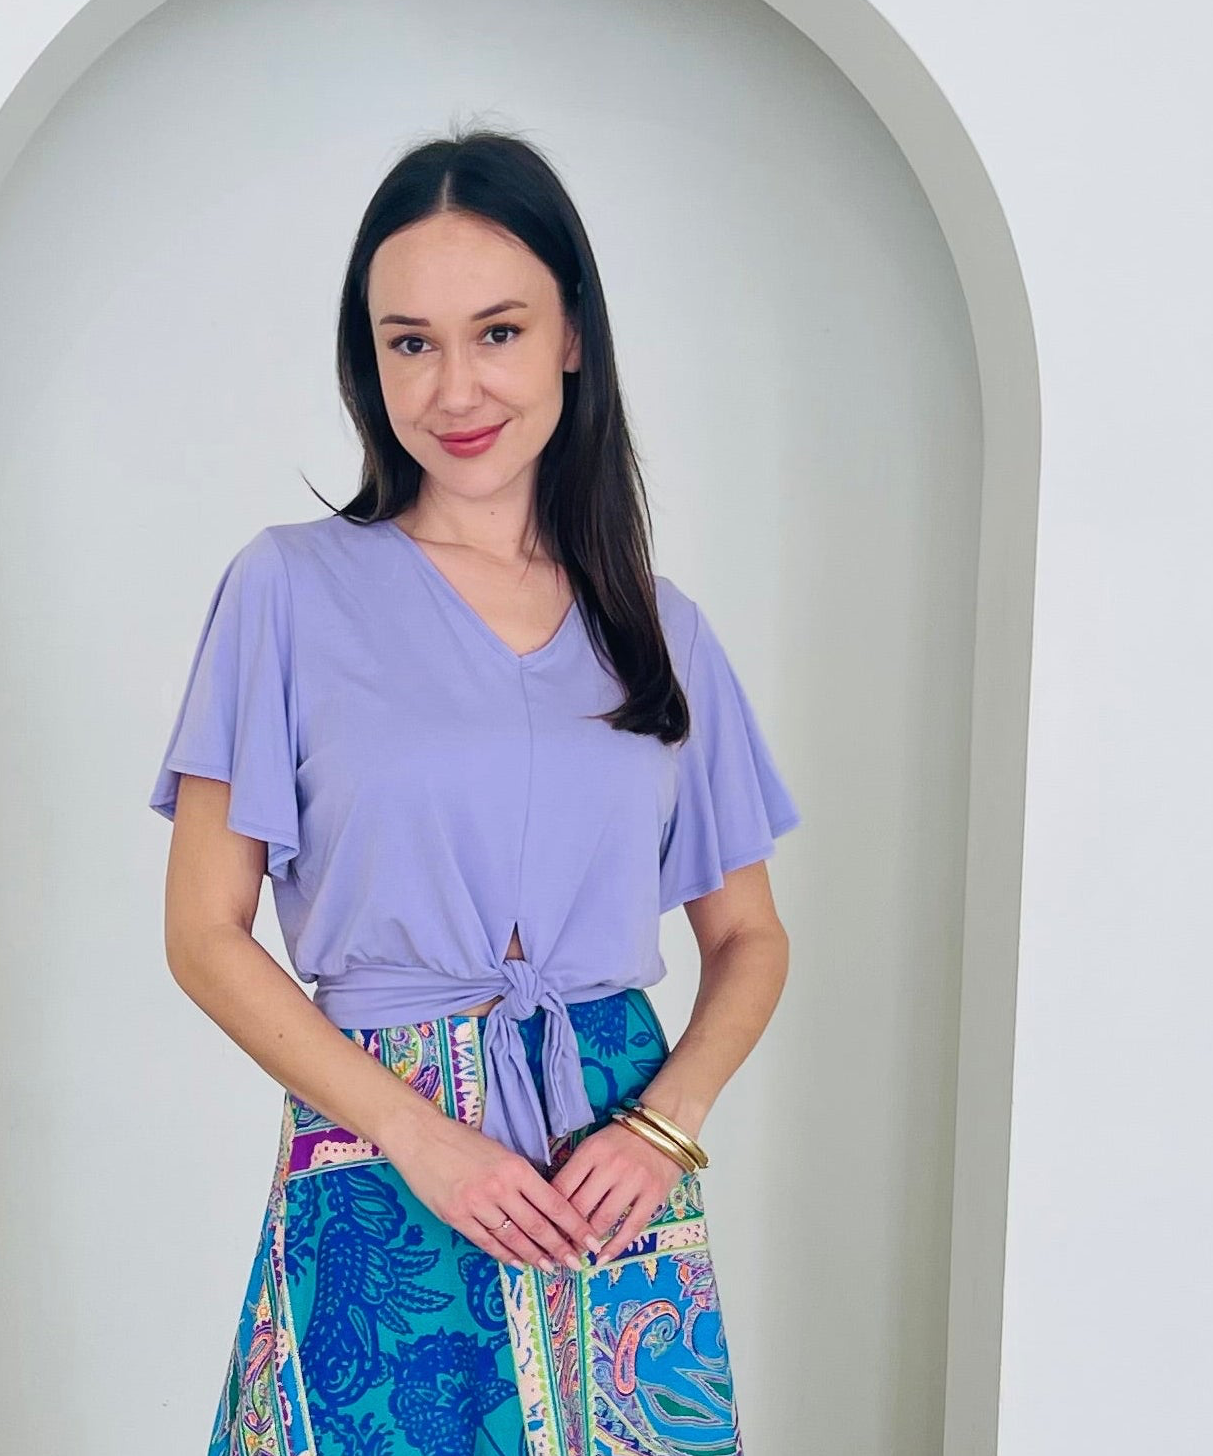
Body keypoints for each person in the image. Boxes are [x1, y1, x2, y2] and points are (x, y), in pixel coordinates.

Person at [148, 125, 802, 1456]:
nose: (454, 385)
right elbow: (204, 935)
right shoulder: (285, 591)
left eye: (497, 331)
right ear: (369, 356)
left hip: (608, 1169)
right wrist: (416, 1137)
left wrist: (664, 1126)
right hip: (381, 1150)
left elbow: (749, 939)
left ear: (572, 336)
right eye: (409, 341)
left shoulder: (660, 629)